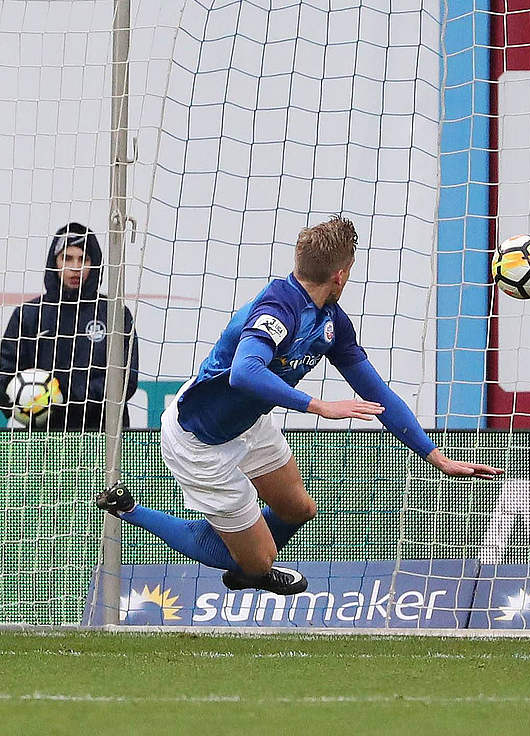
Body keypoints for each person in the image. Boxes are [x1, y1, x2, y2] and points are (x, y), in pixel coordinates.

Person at [95, 216, 502, 595]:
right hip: (200, 440)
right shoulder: (278, 307)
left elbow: (378, 395)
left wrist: (436, 456)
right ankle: (131, 509)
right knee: (257, 564)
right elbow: (244, 372)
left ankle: (244, 548)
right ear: (341, 274)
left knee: (298, 508)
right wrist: (319, 406)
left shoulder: (331, 322)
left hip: (249, 425)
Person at [0, 222, 140, 430]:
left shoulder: (115, 314)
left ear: (94, 264)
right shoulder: (29, 315)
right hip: (42, 440)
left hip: (101, 435)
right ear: (54, 262)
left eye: (83, 259)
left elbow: (125, 380)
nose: (75, 268)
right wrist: (26, 398)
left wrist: (66, 395)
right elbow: (5, 374)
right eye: (66, 258)